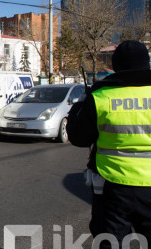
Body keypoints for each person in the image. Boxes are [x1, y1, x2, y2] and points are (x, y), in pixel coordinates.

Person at [67, 40, 151, 247]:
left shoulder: (100, 97)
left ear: (115, 66)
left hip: (113, 184)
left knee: (111, 240)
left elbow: (78, 138)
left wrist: (78, 107)